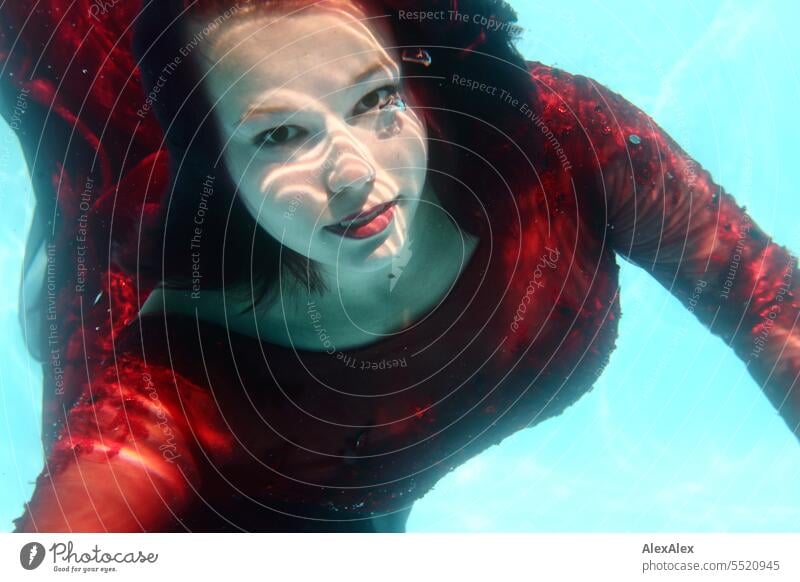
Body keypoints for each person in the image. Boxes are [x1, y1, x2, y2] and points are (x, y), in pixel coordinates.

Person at [2, 0, 797, 532]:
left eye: (375, 99)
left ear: (420, 78)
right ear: (218, 173)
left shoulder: (561, 145)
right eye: (281, 136)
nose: (351, 174)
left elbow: (765, 301)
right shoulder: (164, 365)